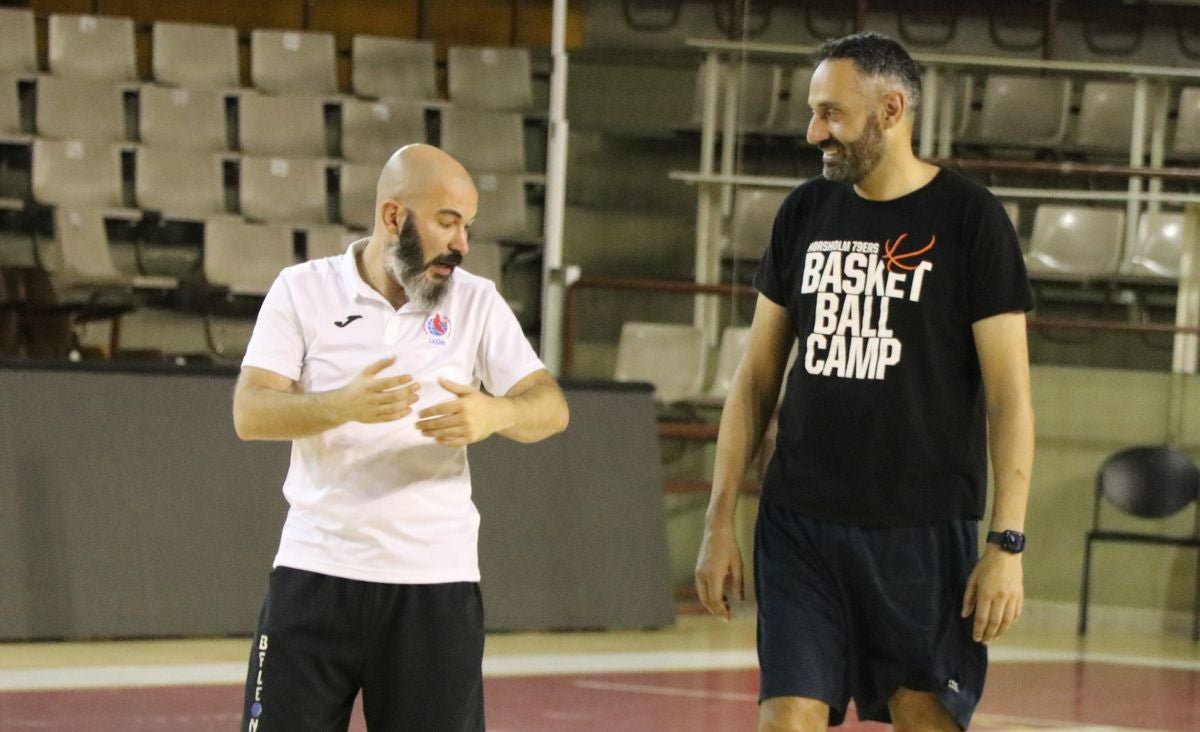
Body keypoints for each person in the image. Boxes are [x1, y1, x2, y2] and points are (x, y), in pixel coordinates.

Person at [694, 33, 1034, 731]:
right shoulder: (805, 213)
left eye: (831, 113)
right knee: (786, 717)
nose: (814, 131)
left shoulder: (970, 220)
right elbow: (755, 381)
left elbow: (1009, 399)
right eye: (813, 112)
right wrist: (719, 519)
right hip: (799, 523)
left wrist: (1007, 543)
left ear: (891, 109)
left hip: (920, 529)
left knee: (923, 717)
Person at [233, 143, 569, 731]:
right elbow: (250, 412)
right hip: (314, 574)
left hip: (433, 585)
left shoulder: (476, 301)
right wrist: (341, 406)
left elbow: (551, 406)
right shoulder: (302, 289)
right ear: (394, 217)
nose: (462, 243)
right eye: (448, 222)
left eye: (467, 225)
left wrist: (494, 414)